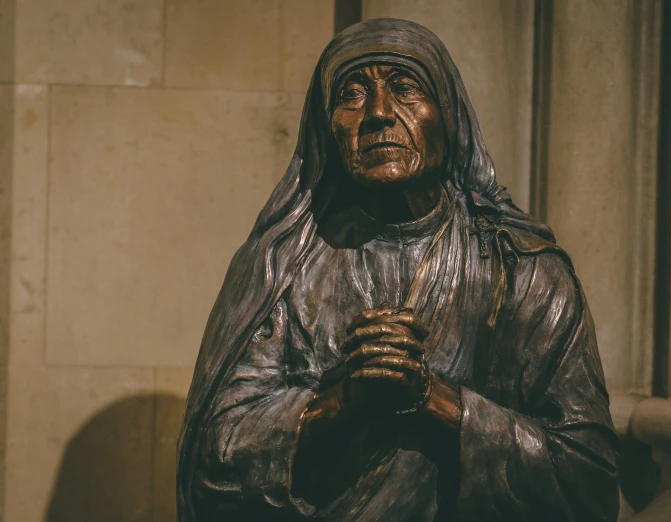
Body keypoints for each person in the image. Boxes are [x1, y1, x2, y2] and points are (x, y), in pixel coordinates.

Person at [177, 18, 619, 522]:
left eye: (405, 89)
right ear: (327, 127)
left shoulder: (519, 269)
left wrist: (435, 399)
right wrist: (341, 401)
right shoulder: (283, 266)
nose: (379, 114)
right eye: (352, 95)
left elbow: (588, 481)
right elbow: (213, 460)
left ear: (446, 115)